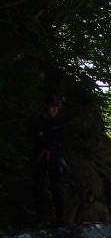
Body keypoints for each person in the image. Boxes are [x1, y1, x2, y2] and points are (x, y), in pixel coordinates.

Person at [28, 94, 66, 227]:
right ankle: (41, 217)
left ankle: (60, 219)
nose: (55, 110)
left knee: (57, 188)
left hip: (54, 157)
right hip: (40, 157)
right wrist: (47, 136)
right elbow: (32, 137)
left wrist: (44, 135)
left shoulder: (58, 123)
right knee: (38, 187)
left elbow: (61, 137)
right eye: (53, 107)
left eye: (57, 108)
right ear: (46, 106)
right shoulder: (35, 122)